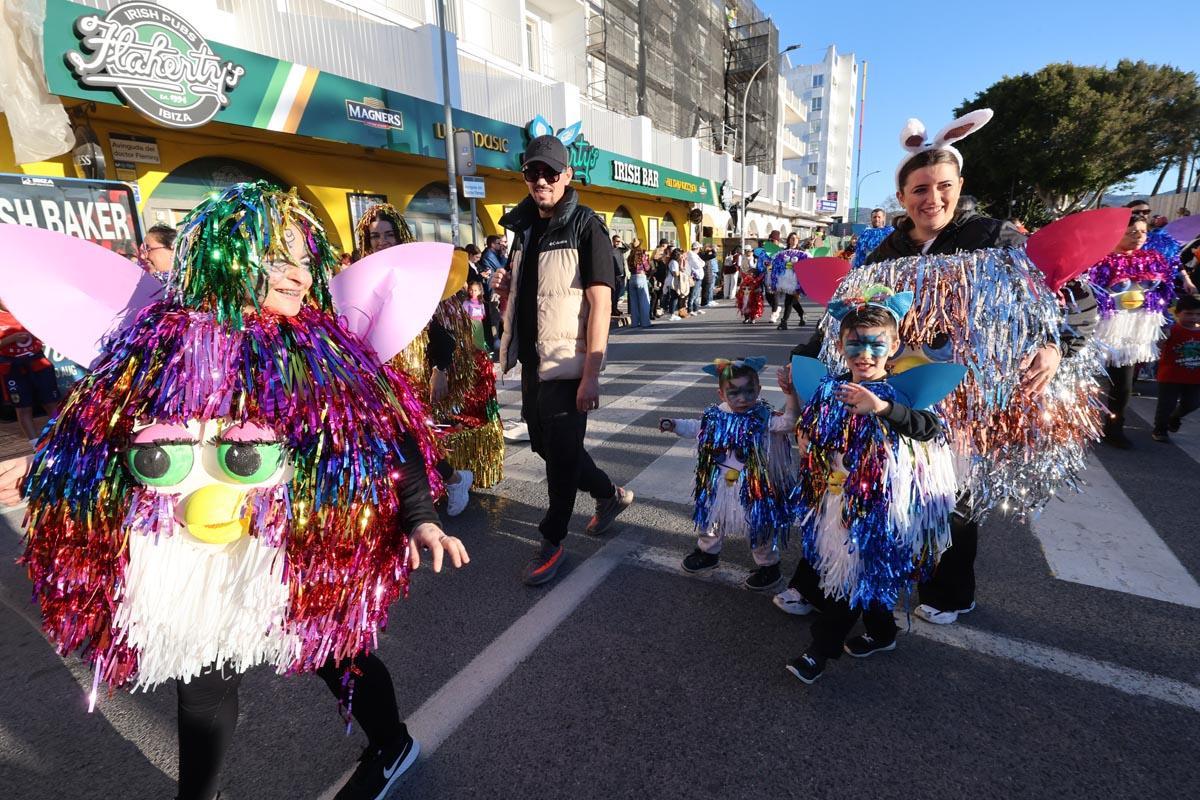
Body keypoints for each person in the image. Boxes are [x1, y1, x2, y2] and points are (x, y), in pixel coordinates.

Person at [0, 182, 469, 800]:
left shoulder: (324, 349)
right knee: (203, 680)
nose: (298, 275)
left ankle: (393, 746)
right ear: (227, 254)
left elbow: (385, 443)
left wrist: (421, 519)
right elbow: (103, 435)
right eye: (278, 257)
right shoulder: (158, 342)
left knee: (337, 653)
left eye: (304, 259)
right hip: (202, 552)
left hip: (302, 545)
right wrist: (51, 475)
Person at [803, 109, 1100, 628]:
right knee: (864, 485)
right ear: (901, 197)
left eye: (942, 186)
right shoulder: (882, 252)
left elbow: (1066, 299)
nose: (931, 198)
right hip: (892, 389)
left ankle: (950, 590)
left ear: (959, 185)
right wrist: (803, 363)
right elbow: (846, 318)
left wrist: (1055, 346)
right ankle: (830, 582)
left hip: (966, 397)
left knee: (951, 498)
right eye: (919, 188)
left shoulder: (995, 238)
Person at [783, 292, 959, 683]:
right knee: (867, 576)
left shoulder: (901, 393)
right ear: (841, 345)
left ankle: (819, 652)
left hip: (878, 510)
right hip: (835, 499)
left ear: (893, 346)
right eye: (856, 344)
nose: (865, 353)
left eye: (876, 344)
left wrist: (880, 407)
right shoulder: (830, 389)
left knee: (851, 577)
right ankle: (882, 632)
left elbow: (928, 429)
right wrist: (803, 432)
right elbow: (811, 427)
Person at [492, 134, 633, 586]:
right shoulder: (525, 229)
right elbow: (530, 296)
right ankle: (609, 494)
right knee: (546, 447)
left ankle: (552, 542)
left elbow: (601, 304)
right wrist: (505, 298)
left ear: (567, 175)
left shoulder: (585, 225)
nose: (541, 181)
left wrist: (591, 374)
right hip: (535, 364)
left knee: (560, 460)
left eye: (550, 172)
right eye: (533, 172)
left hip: (569, 366)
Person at [356, 204, 501, 501]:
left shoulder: (413, 278)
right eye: (375, 237)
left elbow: (441, 334)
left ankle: (453, 479)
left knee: (411, 432)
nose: (382, 242)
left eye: (388, 235)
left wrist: (439, 370)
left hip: (413, 373)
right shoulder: (364, 279)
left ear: (400, 238)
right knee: (392, 435)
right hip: (378, 374)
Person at [659, 357, 796, 591]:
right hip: (719, 482)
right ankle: (707, 552)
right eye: (734, 393)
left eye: (749, 391)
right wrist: (674, 424)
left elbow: (788, 423)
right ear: (721, 395)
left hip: (753, 487)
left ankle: (768, 567)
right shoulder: (717, 415)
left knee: (758, 527)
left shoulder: (763, 417)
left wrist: (790, 395)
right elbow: (697, 427)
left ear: (759, 390)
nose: (742, 399)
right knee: (711, 518)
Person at [1086, 216, 1177, 449]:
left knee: (1124, 385)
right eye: (1132, 232)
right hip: (1098, 325)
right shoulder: (1097, 258)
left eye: (1143, 232)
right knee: (1082, 378)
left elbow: (1167, 290)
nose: (1138, 236)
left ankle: (1114, 427)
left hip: (1132, 330)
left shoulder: (1153, 259)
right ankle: (1072, 422)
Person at [0, 301, 61, 445]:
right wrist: (11, 339)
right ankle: (35, 446)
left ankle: (61, 437)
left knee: (52, 404)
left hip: (38, 363)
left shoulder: (26, 309)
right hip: (13, 369)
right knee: (23, 408)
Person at [1153, 294, 1200, 442]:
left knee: (1192, 403)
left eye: (1198, 314)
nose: (1193, 318)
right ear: (1178, 313)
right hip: (1170, 375)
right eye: (1188, 314)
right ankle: (1160, 430)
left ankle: (1175, 416)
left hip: (1195, 377)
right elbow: (1158, 346)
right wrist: (1161, 338)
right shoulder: (1172, 329)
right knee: (1166, 404)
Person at [773, 232, 808, 330]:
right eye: (792, 238)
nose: (794, 240)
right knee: (793, 300)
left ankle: (784, 321)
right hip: (786, 279)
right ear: (789, 240)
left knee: (789, 300)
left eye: (796, 238)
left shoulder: (802, 251)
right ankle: (802, 315)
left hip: (796, 280)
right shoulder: (784, 251)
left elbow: (807, 264)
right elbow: (778, 263)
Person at [626, 239, 652, 328]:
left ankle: (635, 323)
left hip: (632, 278)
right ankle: (645, 322)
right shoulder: (642, 255)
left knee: (634, 302)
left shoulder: (630, 256)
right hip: (641, 277)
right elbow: (647, 267)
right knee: (644, 301)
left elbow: (629, 269)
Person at [736, 246, 766, 324]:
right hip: (745, 283)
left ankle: (752, 317)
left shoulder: (756, 259)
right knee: (744, 300)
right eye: (746, 251)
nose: (748, 252)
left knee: (754, 300)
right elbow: (740, 269)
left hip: (754, 282)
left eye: (750, 251)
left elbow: (759, 270)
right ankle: (746, 317)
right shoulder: (742, 258)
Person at [464, 278, 490, 352]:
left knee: (480, 337)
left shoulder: (480, 302)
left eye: (475, 290)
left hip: (479, 323)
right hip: (471, 323)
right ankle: (473, 352)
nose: (473, 292)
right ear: (468, 290)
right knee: (472, 338)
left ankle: (481, 353)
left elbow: (483, 312)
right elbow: (464, 312)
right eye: (471, 290)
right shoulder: (467, 302)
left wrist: (482, 316)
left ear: (479, 291)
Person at [686, 242, 706, 315]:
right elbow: (697, 265)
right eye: (699, 248)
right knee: (693, 294)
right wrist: (701, 264)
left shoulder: (695, 255)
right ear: (697, 248)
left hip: (698, 276)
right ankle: (690, 309)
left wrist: (701, 264)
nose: (700, 249)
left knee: (697, 294)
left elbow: (703, 263)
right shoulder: (691, 255)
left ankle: (696, 308)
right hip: (695, 276)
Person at [611, 233, 628, 317]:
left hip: (622, 274)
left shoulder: (620, 250)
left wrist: (622, 241)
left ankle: (615, 308)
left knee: (619, 293)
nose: (618, 243)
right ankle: (613, 310)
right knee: (614, 293)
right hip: (615, 274)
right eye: (616, 241)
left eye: (619, 241)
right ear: (613, 241)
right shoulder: (610, 250)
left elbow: (628, 248)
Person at [701, 242, 720, 307]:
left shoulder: (708, 255)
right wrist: (712, 250)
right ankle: (708, 301)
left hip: (712, 272)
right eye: (715, 249)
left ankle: (710, 300)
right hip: (710, 272)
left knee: (711, 288)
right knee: (709, 288)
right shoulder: (706, 255)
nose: (716, 250)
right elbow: (713, 256)